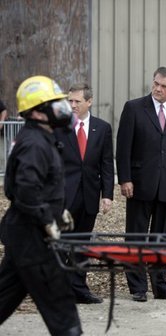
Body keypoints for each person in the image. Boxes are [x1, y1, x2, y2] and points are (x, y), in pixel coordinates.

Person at [0, 76, 83, 336]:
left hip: (25, 235)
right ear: (37, 111)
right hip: (32, 237)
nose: (63, 108)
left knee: (5, 293)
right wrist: (47, 218)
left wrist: (59, 213)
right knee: (59, 301)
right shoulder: (35, 143)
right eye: (55, 104)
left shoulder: (43, 138)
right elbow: (24, 190)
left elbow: (38, 187)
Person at [116, 66, 166, 302]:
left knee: (161, 237)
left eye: (164, 86)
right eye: (156, 84)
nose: (158, 89)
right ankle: (138, 288)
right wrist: (125, 178)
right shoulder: (134, 108)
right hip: (139, 184)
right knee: (136, 236)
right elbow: (123, 147)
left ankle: (161, 286)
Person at [54, 83, 114, 304]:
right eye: (70, 101)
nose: (73, 105)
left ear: (89, 101)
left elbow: (106, 163)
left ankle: (79, 289)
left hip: (89, 195)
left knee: (82, 244)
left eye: (77, 101)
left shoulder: (102, 128)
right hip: (63, 196)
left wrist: (107, 194)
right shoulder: (59, 128)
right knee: (61, 242)